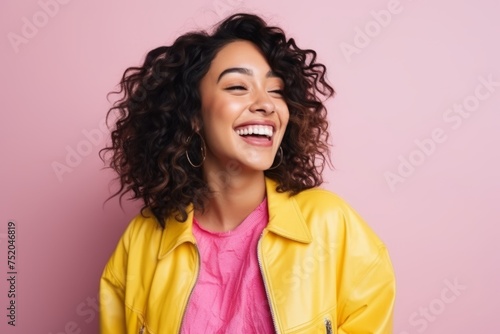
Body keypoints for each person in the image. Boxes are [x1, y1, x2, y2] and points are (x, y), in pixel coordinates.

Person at [99, 13, 395, 334]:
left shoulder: (333, 225)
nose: (266, 104)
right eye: (238, 86)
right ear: (193, 115)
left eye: (276, 90)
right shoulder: (141, 241)